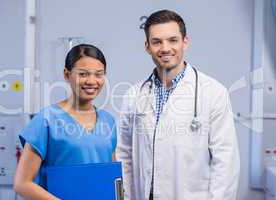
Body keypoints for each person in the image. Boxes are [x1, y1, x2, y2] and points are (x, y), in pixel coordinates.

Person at [116, 9, 240, 200]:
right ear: (147, 46)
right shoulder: (134, 95)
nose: (165, 48)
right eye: (157, 41)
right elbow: (124, 155)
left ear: (185, 42)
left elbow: (225, 163)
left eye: (172, 40)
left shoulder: (213, 92)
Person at [14, 44, 117, 200]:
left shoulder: (108, 121)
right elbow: (22, 184)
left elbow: (111, 177)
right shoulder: (47, 119)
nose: (91, 81)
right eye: (83, 74)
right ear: (67, 74)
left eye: (99, 74)